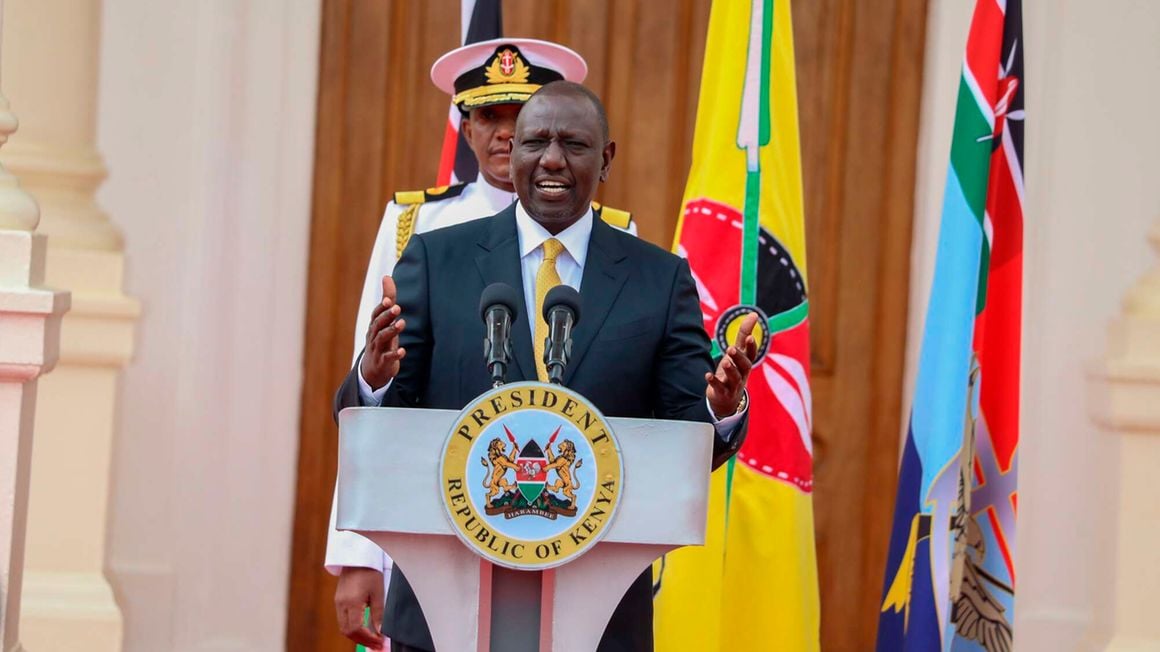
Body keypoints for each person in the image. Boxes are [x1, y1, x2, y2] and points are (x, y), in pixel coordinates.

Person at [336, 81, 759, 652]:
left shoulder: (658, 280)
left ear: (605, 159)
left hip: (597, 614)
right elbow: (379, 427)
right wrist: (375, 381)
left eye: (574, 144)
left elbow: (685, 435)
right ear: (513, 154)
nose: (552, 160)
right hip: (448, 606)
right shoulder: (438, 258)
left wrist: (719, 408)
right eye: (535, 142)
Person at [329, 38, 637, 648]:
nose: (504, 132)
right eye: (488, 115)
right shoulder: (416, 226)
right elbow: (376, 390)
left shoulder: (616, 236)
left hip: (573, 529)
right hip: (438, 534)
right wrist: (359, 550)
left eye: (520, 116)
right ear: (464, 127)